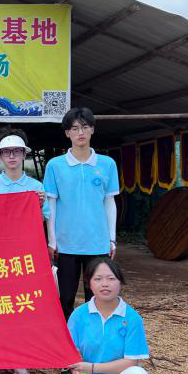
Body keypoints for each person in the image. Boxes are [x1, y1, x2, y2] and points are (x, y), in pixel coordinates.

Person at [0, 127, 48, 374]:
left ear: (24, 154)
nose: (12, 157)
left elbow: (42, 220)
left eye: (16, 151)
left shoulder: (36, 187)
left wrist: (39, 205)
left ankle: (19, 358)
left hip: (23, 255)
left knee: (20, 306)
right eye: (6, 152)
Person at [43, 107, 119, 322]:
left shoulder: (107, 164)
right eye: (74, 128)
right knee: (65, 298)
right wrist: (52, 240)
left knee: (96, 297)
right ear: (67, 133)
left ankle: (93, 336)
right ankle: (66, 338)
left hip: (98, 242)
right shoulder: (55, 165)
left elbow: (109, 201)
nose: (80, 133)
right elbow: (51, 204)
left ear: (92, 129)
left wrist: (111, 238)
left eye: (85, 127)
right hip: (66, 243)